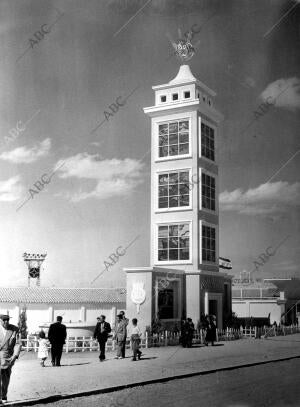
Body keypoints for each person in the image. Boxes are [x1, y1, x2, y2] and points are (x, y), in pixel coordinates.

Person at [0, 314, 22, 404]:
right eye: (4, 320)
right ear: (0, 320)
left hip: (8, 357)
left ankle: (3, 395)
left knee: (5, 378)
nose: (6, 322)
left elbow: (18, 343)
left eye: (7, 320)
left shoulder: (14, 329)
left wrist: (15, 355)